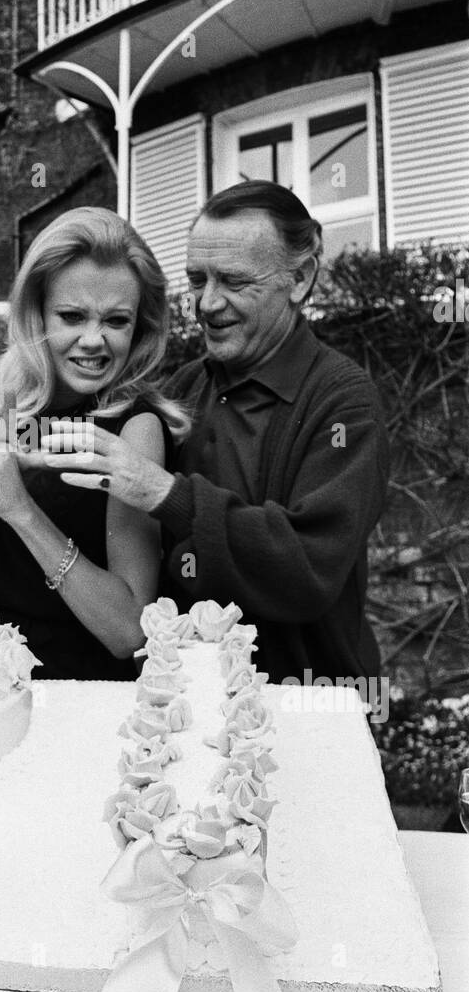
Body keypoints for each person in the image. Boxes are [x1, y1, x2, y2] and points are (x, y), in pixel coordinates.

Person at [42, 181, 389, 685]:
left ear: (300, 277)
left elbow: (307, 570)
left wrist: (164, 493)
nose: (206, 303)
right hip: (184, 707)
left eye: (232, 280)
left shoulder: (344, 405)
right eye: (196, 279)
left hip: (304, 710)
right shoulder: (181, 390)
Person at [0, 207, 188, 680]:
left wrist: (21, 510)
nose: (93, 340)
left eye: (116, 321)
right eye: (71, 316)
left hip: (73, 698)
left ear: (140, 328)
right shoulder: (10, 401)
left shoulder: (134, 428)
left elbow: (129, 631)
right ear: (37, 314)